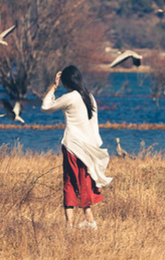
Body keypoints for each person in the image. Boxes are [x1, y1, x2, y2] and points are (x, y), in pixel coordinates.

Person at [41, 65, 112, 230]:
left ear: (66, 82)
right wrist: (94, 147)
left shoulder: (70, 97)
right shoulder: (90, 97)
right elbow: (93, 125)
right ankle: (83, 221)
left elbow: (46, 106)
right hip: (87, 148)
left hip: (72, 146)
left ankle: (77, 223)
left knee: (70, 182)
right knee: (83, 181)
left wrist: (53, 86)